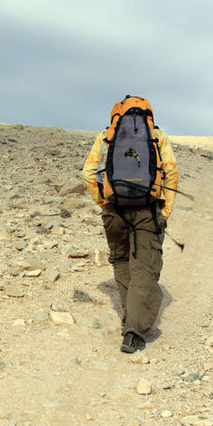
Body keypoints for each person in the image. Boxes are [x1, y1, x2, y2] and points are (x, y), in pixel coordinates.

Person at [82, 96, 178, 353]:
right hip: (148, 210)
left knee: (122, 262)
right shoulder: (157, 137)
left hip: (114, 211)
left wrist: (104, 203)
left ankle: (130, 317)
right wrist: (165, 210)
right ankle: (134, 331)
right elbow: (171, 172)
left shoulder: (106, 136)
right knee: (144, 272)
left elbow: (89, 173)